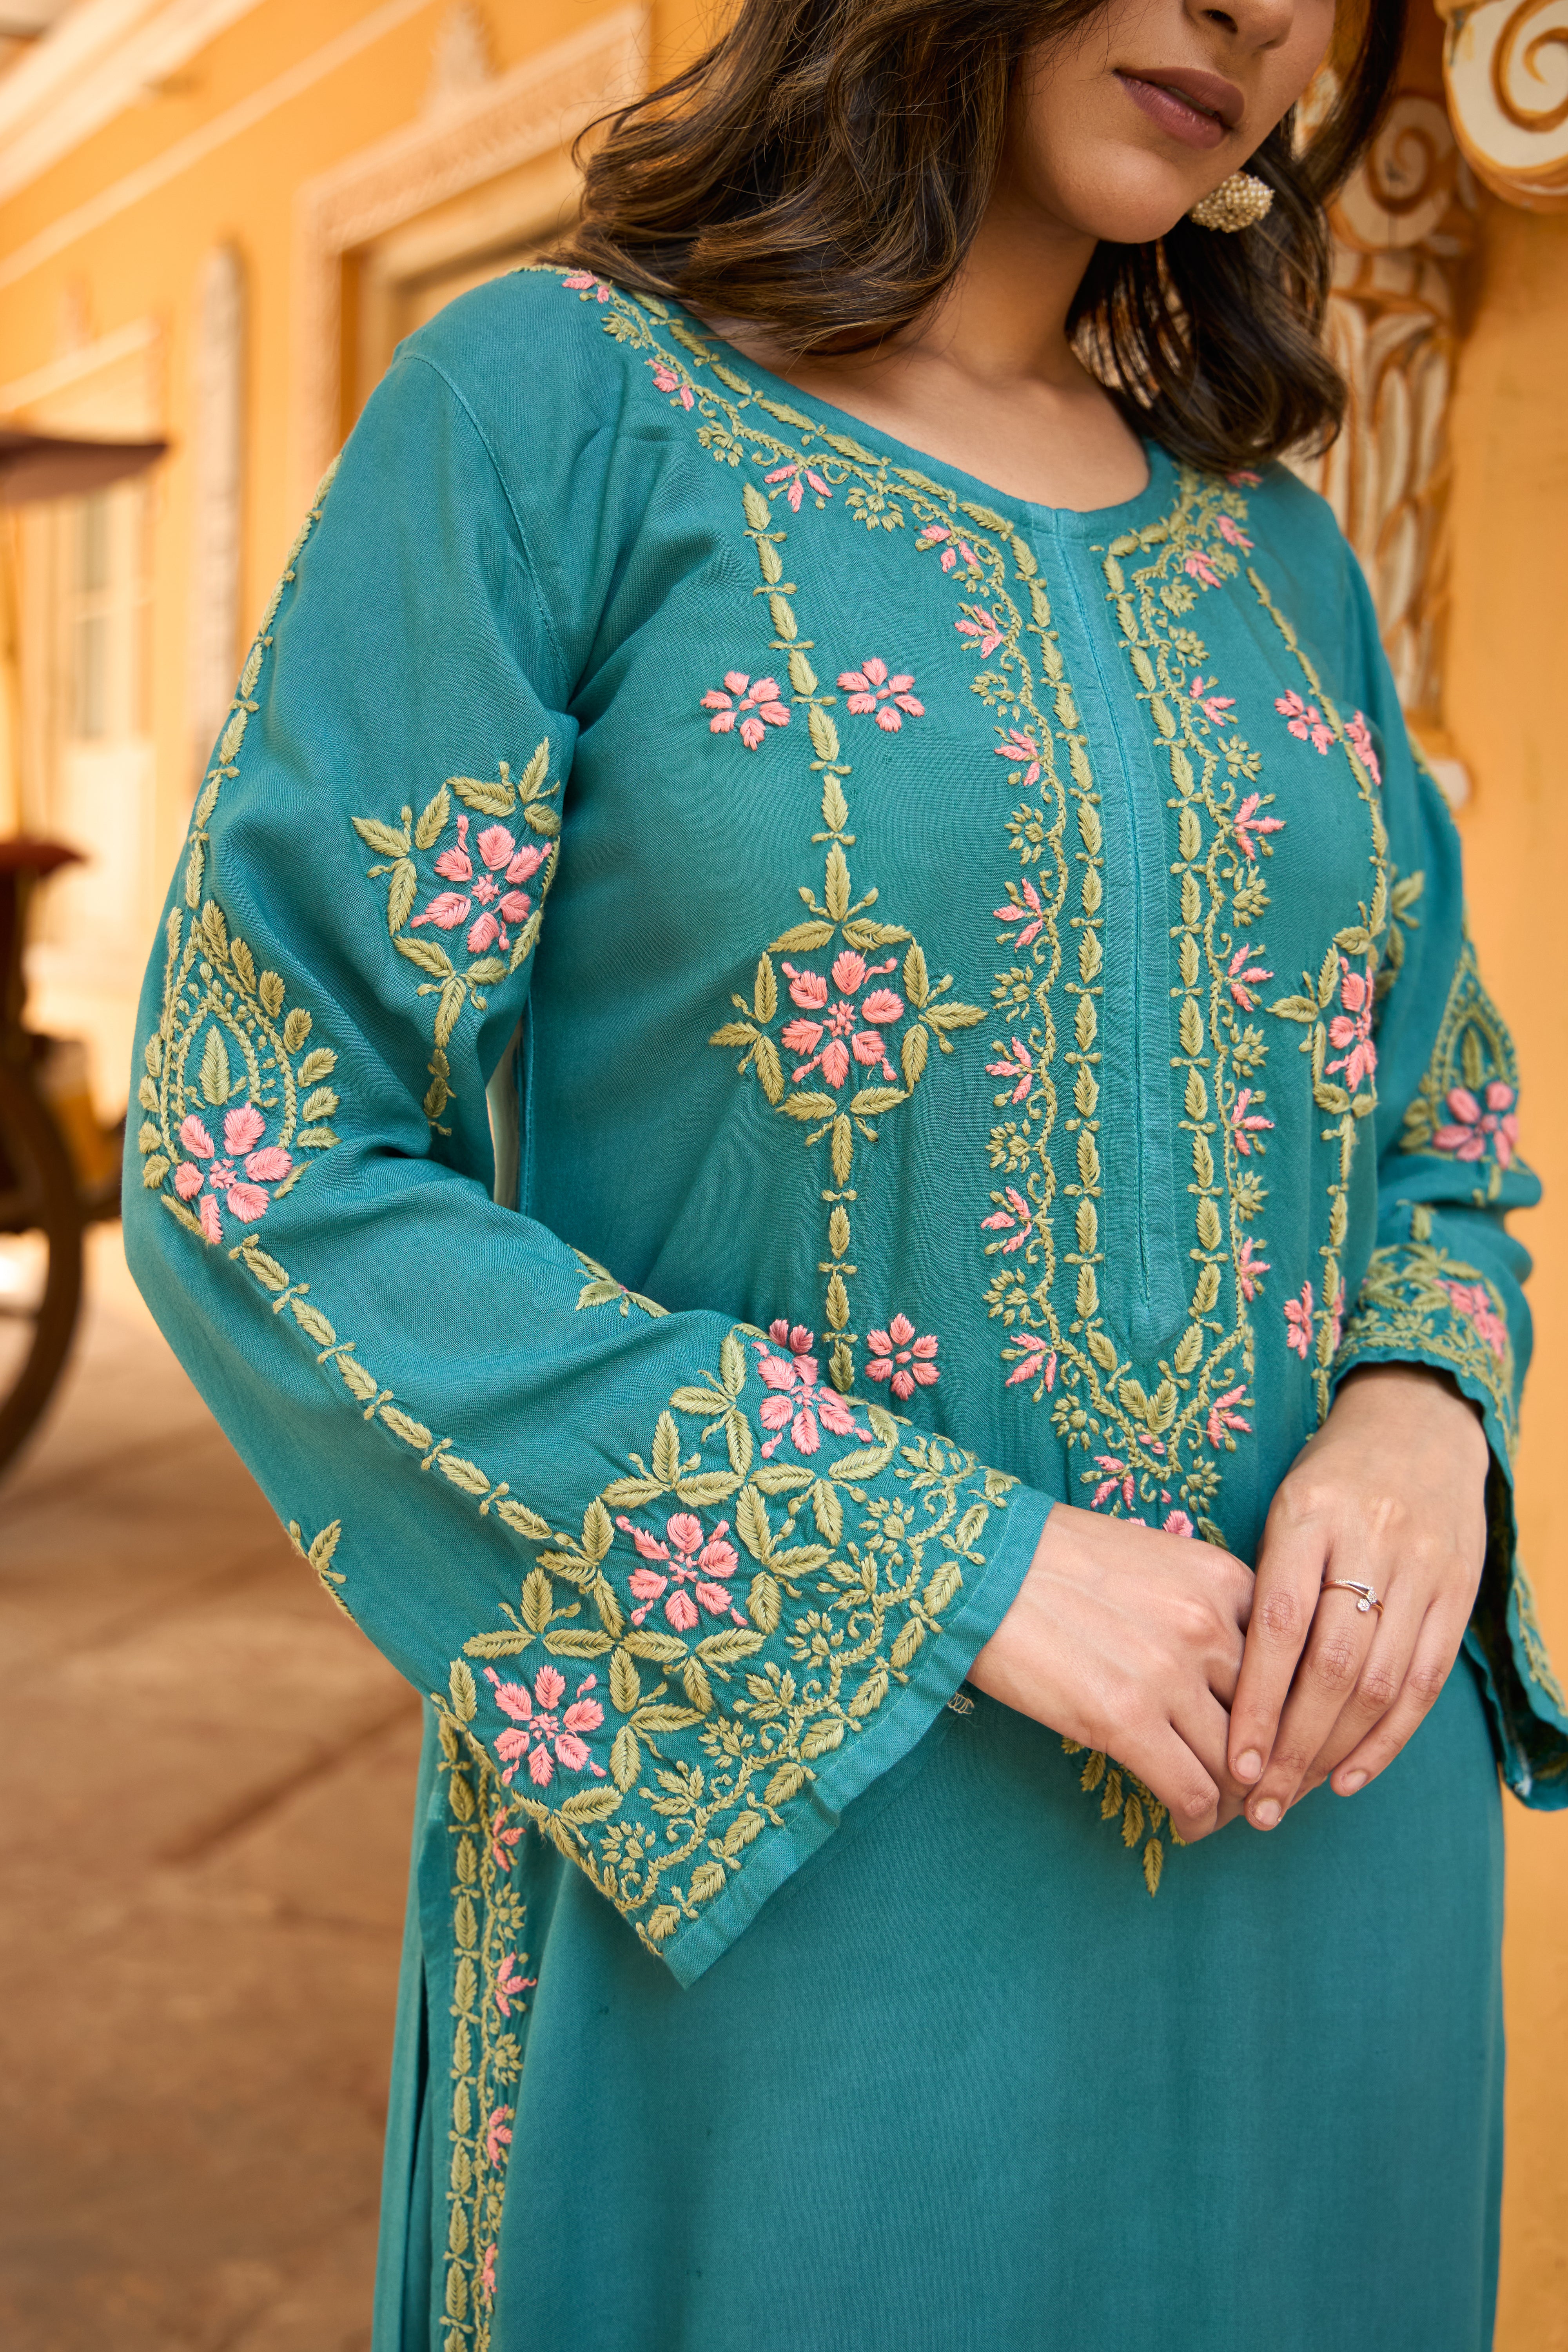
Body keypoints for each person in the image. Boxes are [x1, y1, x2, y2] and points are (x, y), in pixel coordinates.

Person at [126, 1, 1567, 2345]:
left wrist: (1426, 1419)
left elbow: (1442, 1126)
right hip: (794, 1851)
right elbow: (254, 1143)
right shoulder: (560, 413)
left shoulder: (1276, 556)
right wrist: (945, 1572)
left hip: (1325, 1853)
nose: (1255, 11)